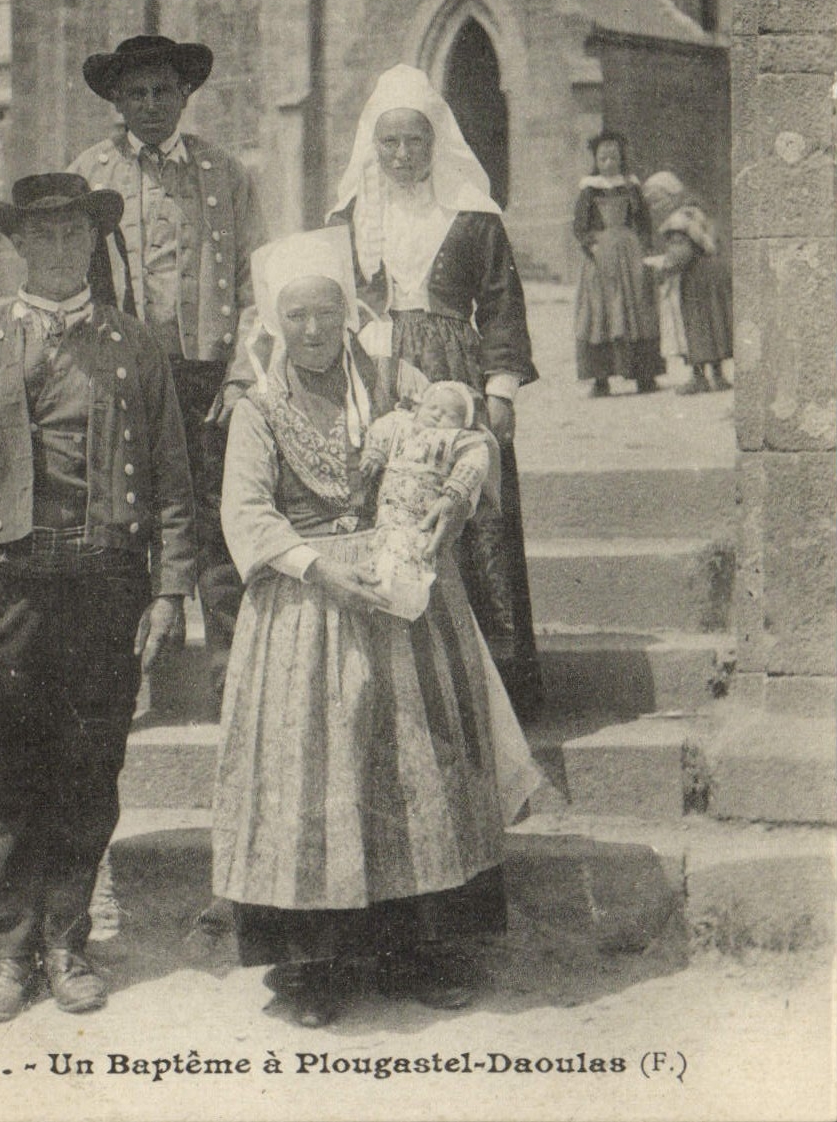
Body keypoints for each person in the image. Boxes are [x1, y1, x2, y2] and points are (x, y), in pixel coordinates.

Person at [214, 229, 540, 1027]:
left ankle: (422, 947)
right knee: (316, 775)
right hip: (306, 607)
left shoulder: (396, 379)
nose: (315, 330)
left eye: (328, 312)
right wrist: (318, 568)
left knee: (413, 766)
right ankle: (314, 965)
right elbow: (245, 513)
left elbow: (468, 440)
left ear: (350, 313)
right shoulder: (259, 408)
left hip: (406, 604)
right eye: (298, 317)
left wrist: (453, 498)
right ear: (275, 322)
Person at [0, 173, 196, 1025]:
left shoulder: (135, 345)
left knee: (88, 772)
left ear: (91, 241)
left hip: (106, 586)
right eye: (42, 234)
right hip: (4, 589)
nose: (60, 247)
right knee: (9, 778)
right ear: (17, 245)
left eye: (74, 233)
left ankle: (68, 943)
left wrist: (168, 589)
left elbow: (175, 482)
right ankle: (8, 953)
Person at [328, 64, 541, 716]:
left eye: (414, 141)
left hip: (454, 375)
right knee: (384, 507)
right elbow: (333, 299)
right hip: (377, 375)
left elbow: (502, 304)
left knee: (471, 516)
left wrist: (499, 392)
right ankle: (398, 685)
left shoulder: (473, 215)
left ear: (435, 141)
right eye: (389, 142)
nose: (401, 155)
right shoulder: (353, 214)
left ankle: (489, 684)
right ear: (373, 143)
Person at [68, 34, 265, 704]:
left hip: (203, 373)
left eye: (163, 91)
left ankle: (232, 673)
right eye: (136, 93)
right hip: (116, 378)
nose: (151, 104)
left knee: (213, 515)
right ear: (116, 101)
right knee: (122, 518)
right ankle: (121, 678)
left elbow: (252, 281)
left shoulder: (223, 172)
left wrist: (242, 372)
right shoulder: (89, 172)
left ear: (185, 95)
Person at [360, 381, 502, 620]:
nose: (438, 416)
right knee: (385, 542)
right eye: (433, 407)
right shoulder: (400, 423)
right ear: (418, 406)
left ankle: (409, 594)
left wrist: (456, 490)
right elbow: (380, 430)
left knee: (420, 549)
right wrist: (375, 453)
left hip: (428, 506)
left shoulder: (461, 439)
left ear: (464, 422)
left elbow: (476, 460)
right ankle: (380, 588)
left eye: (451, 414)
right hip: (390, 501)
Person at [573, 131, 663, 397]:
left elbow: (644, 222)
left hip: (631, 254)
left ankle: (644, 376)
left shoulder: (631, 186)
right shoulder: (589, 189)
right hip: (600, 258)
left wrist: (645, 248)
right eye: (603, 158)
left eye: (614, 157)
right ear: (596, 160)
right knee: (600, 314)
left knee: (637, 311)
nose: (609, 162)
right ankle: (601, 379)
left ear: (621, 158)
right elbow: (579, 226)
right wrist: (592, 245)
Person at [642, 171, 733, 395]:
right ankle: (719, 375)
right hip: (712, 276)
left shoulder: (679, 221)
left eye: (657, 201)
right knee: (713, 323)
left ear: (672, 195)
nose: (654, 208)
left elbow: (681, 253)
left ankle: (699, 378)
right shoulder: (697, 214)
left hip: (695, 280)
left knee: (694, 327)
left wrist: (663, 268)